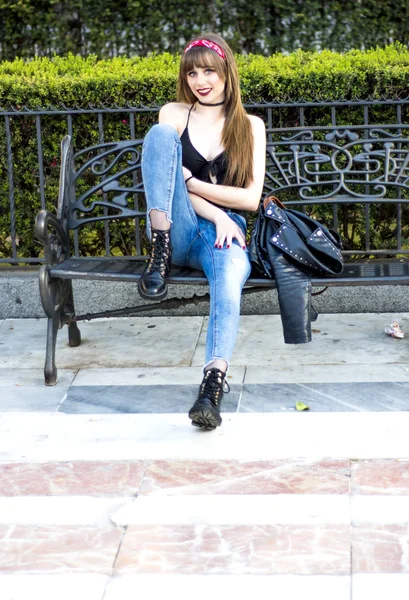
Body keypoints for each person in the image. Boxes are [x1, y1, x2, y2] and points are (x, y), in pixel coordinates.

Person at [138, 32, 266, 429]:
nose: (200, 80)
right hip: (175, 227)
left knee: (229, 280)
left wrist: (191, 183)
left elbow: (249, 199)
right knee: (158, 138)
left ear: (227, 71)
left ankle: (212, 385)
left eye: (208, 70)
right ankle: (157, 249)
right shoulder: (173, 115)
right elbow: (164, 183)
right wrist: (216, 210)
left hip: (224, 234)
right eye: (192, 72)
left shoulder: (250, 126)